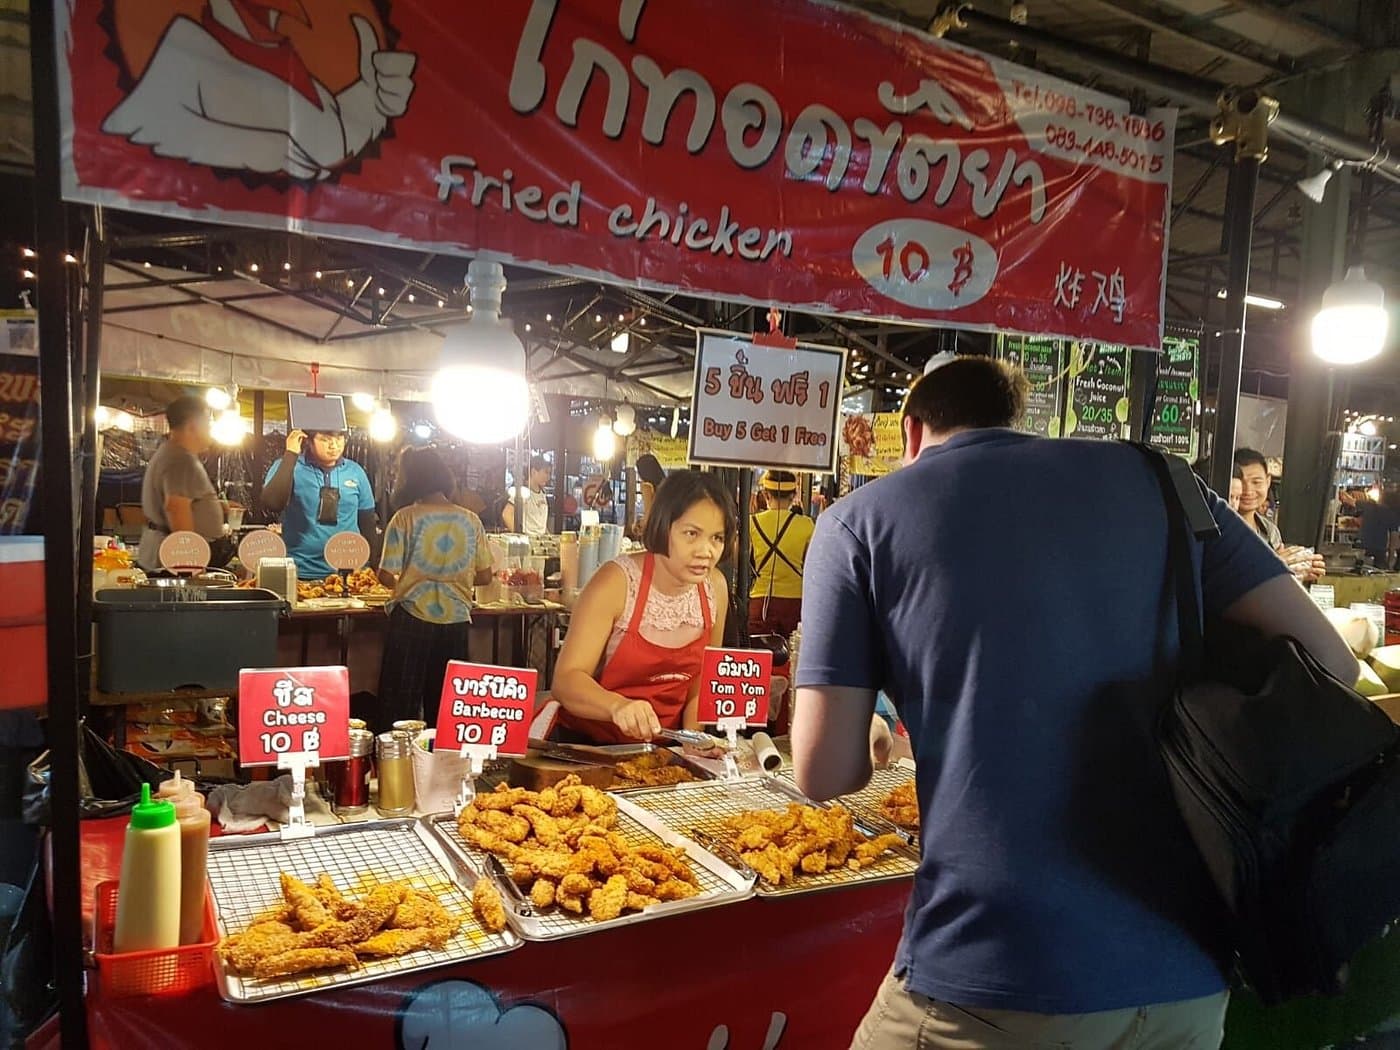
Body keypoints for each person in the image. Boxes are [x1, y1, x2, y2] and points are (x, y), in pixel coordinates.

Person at [791, 357, 1355, 1050]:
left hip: (995, 969)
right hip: (1187, 974)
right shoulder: (1168, 483)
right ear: (1017, 422)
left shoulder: (858, 521)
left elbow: (823, 771)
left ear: (911, 432)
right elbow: (1333, 665)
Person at [551, 470, 731, 743]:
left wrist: (693, 741)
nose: (706, 551)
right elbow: (565, 681)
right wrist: (617, 706)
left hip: (665, 750)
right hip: (589, 747)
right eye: (691, 534)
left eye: (717, 537)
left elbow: (702, 679)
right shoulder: (616, 582)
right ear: (663, 526)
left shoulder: (714, 587)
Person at [375, 448, 494, 730]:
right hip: (456, 621)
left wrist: (408, 582)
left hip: (411, 618)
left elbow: (385, 574)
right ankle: (441, 757)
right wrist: (455, 579)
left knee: (400, 707)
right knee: (445, 708)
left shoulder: (405, 518)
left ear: (410, 480)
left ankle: (398, 759)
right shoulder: (471, 520)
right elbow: (485, 575)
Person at [261, 428, 378, 580]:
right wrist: (290, 454)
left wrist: (373, 567)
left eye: (339, 438)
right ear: (308, 441)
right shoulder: (287, 466)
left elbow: (367, 523)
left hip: (349, 573)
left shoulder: (355, 472)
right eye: (325, 439)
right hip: (300, 571)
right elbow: (272, 503)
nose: (334, 445)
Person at [137, 396, 228, 571]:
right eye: (208, 424)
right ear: (192, 426)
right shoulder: (181, 459)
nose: (211, 430)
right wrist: (189, 565)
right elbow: (176, 507)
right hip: (174, 561)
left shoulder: (171, 452)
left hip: (163, 551)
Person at [1233, 447, 1326, 583]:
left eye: (1256, 482)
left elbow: (1274, 581)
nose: (1248, 491)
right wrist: (1273, 567)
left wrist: (1298, 571)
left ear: (1268, 481)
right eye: (1241, 482)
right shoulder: (1221, 529)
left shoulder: (1270, 531)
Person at [748, 470, 815, 638]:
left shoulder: (752, 523)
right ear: (793, 495)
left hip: (761, 600)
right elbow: (811, 565)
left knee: (759, 650)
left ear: (766, 494)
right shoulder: (807, 525)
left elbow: (739, 560)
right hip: (796, 602)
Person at [502, 456, 552, 535]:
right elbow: (507, 514)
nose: (548, 477)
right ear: (533, 472)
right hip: (528, 539)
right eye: (546, 472)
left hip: (540, 539)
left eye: (549, 473)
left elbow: (540, 524)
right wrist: (520, 535)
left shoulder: (542, 494)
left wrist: (548, 535)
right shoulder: (523, 492)